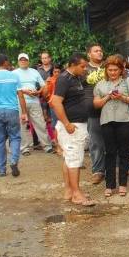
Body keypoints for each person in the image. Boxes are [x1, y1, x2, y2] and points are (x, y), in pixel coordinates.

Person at [51, 53, 95, 206]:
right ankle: (76, 194)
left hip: (76, 125)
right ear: (73, 64)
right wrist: (67, 124)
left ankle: (69, 191)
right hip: (72, 126)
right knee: (75, 160)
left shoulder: (75, 78)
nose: (84, 69)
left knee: (69, 158)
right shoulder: (64, 79)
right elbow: (55, 102)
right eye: (82, 66)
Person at [93, 55, 129, 197]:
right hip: (107, 121)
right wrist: (107, 96)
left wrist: (122, 97)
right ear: (106, 70)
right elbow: (96, 104)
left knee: (124, 152)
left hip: (125, 120)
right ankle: (109, 185)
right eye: (110, 70)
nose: (112, 72)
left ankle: (123, 184)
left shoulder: (128, 82)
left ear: (121, 70)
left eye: (115, 70)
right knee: (110, 152)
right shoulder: (100, 84)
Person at [0, 54, 27, 177]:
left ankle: (1, 170)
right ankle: (13, 161)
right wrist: (24, 113)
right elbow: (21, 96)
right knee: (15, 137)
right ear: (5, 62)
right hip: (12, 111)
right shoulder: (14, 76)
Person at [14, 53, 53, 155]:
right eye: (21, 60)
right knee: (22, 125)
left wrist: (38, 92)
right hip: (19, 102)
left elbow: (43, 85)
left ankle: (47, 146)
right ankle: (24, 148)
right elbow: (12, 88)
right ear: (18, 61)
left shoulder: (34, 71)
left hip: (34, 101)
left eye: (25, 60)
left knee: (40, 123)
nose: (23, 61)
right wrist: (24, 91)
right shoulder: (14, 73)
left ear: (28, 61)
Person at [83, 43, 106, 184]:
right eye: (96, 51)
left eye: (100, 50)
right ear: (89, 54)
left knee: (114, 139)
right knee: (96, 141)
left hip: (111, 108)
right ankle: (98, 170)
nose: (99, 52)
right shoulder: (84, 69)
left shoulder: (108, 66)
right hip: (93, 109)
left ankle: (123, 166)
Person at [44, 63, 63, 153]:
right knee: (55, 124)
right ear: (52, 72)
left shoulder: (64, 80)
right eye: (55, 71)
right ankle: (57, 144)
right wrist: (46, 84)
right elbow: (45, 94)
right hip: (53, 105)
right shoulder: (50, 80)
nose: (57, 73)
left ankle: (61, 144)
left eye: (59, 71)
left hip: (63, 104)